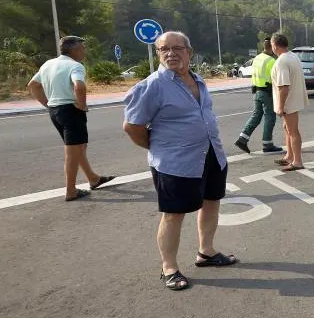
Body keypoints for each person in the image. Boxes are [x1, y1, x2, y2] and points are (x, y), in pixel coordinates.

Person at [123, 31, 238, 291]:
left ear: (189, 52)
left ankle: (206, 252)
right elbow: (132, 126)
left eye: (177, 48)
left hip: (211, 154)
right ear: (158, 54)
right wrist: (158, 147)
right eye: (164, 49)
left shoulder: (198, 80)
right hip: (175, 162)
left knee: (211, 203)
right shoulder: (151, 86)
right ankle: (169, 267)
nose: (171, 54)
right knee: (173, 214)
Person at [27, 36, 115, 201]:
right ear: (74, 50)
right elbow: (79, 86)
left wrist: (47, 103)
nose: (84, 51)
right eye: (82, 48)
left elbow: (32, 85)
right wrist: (82, 105)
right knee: (72, 151)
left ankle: (93, 178)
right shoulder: (75, 66)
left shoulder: (48, 64)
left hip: (55, 111)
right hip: (70, 110)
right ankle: (70, 190)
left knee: (79, 147)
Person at [234, 39, 283, 154]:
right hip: (267, 92)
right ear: (272, 47)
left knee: (256, 115)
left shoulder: (257, 58)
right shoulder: (271, 60)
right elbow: (275, 78)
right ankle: (267, 144)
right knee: (270, 117)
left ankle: (242, 138)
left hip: (257, 91)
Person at [270, 32, 309, 172]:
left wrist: (280, 106)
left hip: (288, 101)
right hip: (294, 99)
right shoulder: (293, 56)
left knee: (292, 131)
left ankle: (297, 161)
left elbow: (284, 86)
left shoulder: (281, 61)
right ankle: (289, 156)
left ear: (275, 45)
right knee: (287, 129)